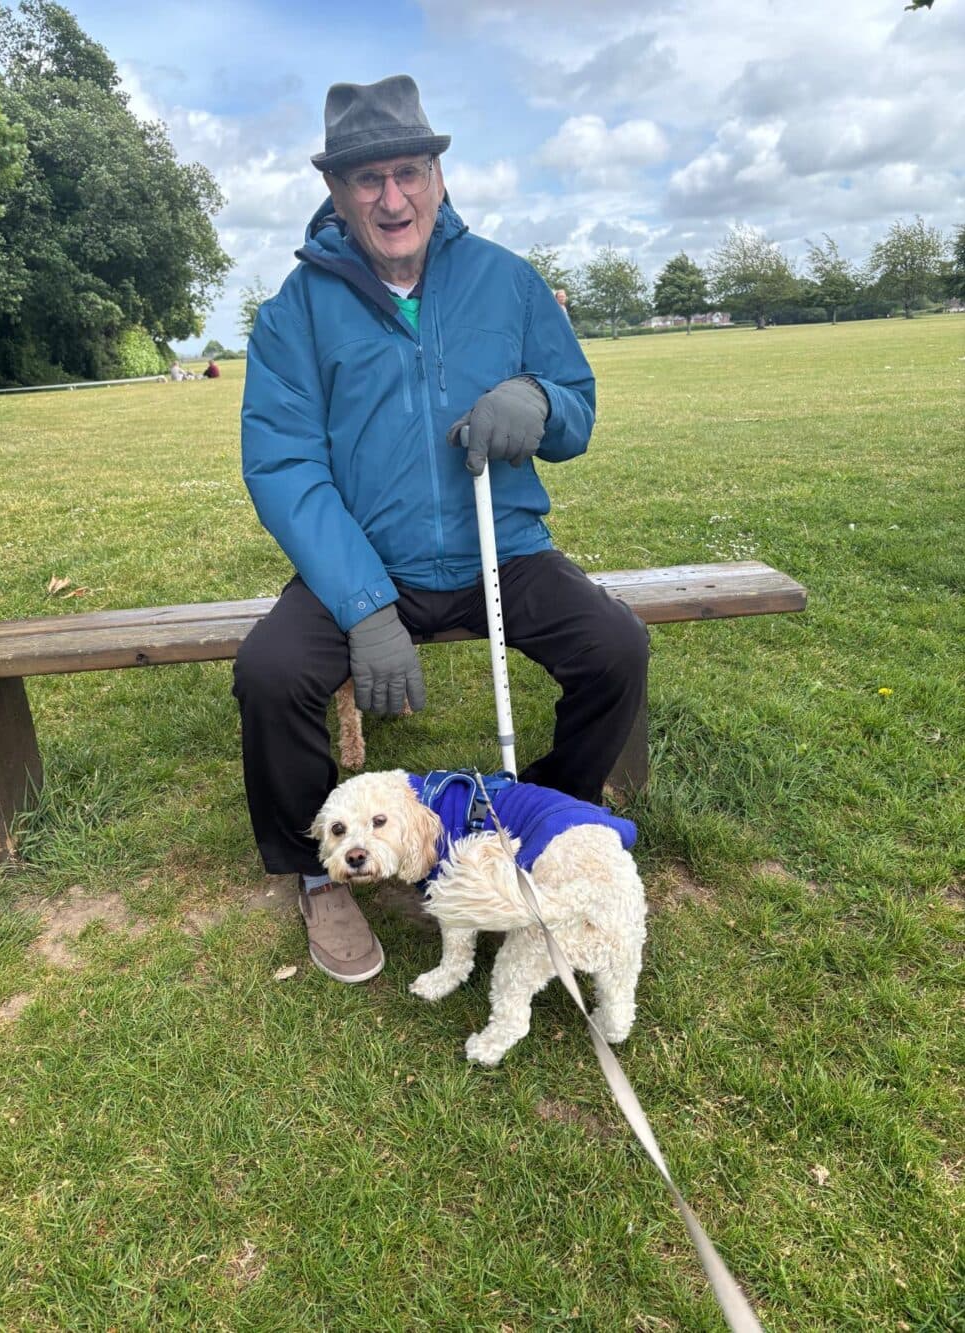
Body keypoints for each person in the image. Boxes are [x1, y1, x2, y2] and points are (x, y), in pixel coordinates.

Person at [235, 75, 648, 984]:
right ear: (336, 191)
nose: (393, 199)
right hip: (365, 561)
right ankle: (318, 873)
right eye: (368, 179)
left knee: (615, 647)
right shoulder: (294, 312)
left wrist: (538, 401)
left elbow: (577, 405)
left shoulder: (509, 281)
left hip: (501, 550)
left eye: (410, 172)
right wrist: (365, 604)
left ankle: (541, 817)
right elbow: (284, 465)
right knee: (270, 673)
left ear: (439, 176)